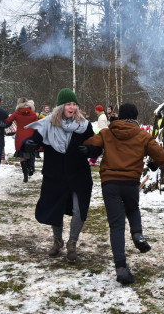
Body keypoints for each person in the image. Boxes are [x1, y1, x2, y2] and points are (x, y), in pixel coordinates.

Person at [83, 103, 164, 285]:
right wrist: (153, 165)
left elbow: (90, 145)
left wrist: (87, 147)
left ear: (119, 116)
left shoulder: (107, 132)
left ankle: (121, 268)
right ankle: (137, 234)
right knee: (133, 209)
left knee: (116, 226)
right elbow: (161, 156)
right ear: (136, 117)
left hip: (110, 184)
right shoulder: (143, 135)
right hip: (130, 183)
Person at [22, 88, 101, 262]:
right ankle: (57, 241)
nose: (72, 107)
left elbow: (97, 145)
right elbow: (33, 140)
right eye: (68, 104)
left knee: (79, 208)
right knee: (54, 208)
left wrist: (89, 150)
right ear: (61, 106)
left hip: (79, 175)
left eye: (74, 104)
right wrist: (28, 145)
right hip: (55, 175)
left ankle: (72, 242)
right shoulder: (47, 124)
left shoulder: (84, 126)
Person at [2, 98, 38, 182]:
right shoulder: (33, 114)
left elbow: (8, 120)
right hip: (31, 136)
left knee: (22, 156)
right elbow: (37, 125)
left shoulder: (17, 113)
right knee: (31, 153)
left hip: (20, 137)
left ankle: (25, 176)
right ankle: (30, 168)